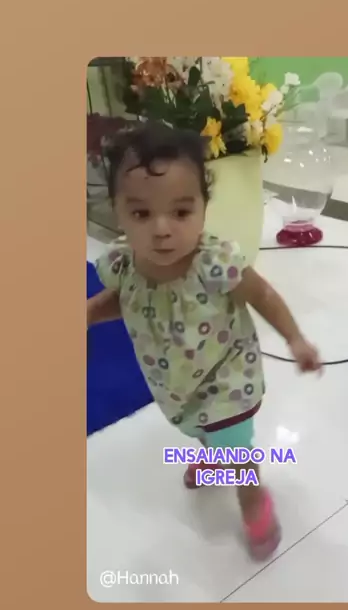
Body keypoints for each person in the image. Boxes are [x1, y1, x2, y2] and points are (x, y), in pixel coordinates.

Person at [87, 121, 322, 559]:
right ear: (117, 211)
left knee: (237, 452)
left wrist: (295, 339)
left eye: (180, 212)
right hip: (176, 381)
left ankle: (254, 501)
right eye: (141, 214)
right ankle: (215, 455)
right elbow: (127, 300)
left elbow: (262, 295)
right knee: (199, 429)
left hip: (226, 377)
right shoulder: (124, 264)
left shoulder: (214, 262)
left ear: (203, 206)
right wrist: (87, 314)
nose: (161, 229)